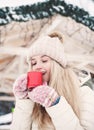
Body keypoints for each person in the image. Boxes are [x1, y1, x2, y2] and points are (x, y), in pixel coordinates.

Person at [11, 31, 94, 130]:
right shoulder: (33, 100)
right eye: (33, 63)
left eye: (44, 61)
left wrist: (55, 103)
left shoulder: (84, 94)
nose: (37, 67)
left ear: (57, 65)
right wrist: (24, 100)